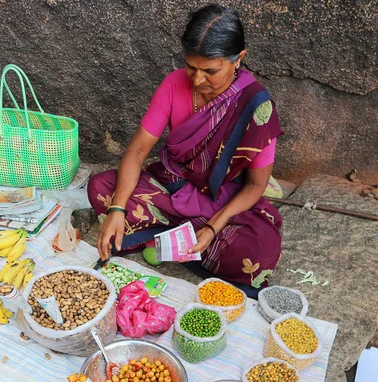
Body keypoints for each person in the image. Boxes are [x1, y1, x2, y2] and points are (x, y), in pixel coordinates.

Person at [87, 4, 283, 289]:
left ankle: (166, 239)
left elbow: (255, 186)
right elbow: (138, 150)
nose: (197, 79)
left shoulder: (256, 107)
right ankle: (180, 241)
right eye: (191, 66)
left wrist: (213, 227)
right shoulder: (173, 83)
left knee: (257, 252)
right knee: (101, 188)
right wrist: (117, 209)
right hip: (174, 186)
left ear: (238, 59)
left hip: (224, 200)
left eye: (210, 71)